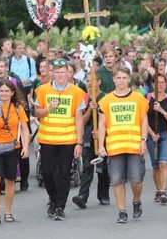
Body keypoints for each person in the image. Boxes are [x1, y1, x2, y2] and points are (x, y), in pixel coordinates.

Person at [34, 59, 85, 221]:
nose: (60, 75)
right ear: (52, 73)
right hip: (48, 138)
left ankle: (60, 206)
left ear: (69, 74)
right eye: (57, 72)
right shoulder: (42, 90)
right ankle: (53, 199)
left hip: (68, 140)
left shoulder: (77, 92)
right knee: (47, 173)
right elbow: (37, 114)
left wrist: (79, 142)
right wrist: (48, 109)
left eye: (63, 71)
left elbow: (79, 119)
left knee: (64, 174)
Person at [98, 66, 149, 223]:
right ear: (113, 79)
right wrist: (101, 146)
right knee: (118, 180)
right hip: (115, 146)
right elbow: (102, 125)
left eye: (124, 78)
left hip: (134, 145)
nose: (121, 81)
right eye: (118, 78)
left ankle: (136, 200)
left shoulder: (139, 99)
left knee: (136, 180)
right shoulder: (105, 100)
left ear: (129, 79)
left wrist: (143, 140)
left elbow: (143, 121)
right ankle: (122, 211)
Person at [0, 80, 30, 224]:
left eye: (6, 91)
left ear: (12, 93)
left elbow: (25, 129)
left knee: (10, 181)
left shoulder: (17, 107)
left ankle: (8, 211)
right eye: (1, 91)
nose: (3, 94)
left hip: (12, 148)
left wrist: (26, 147)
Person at [72, 73, 110, 208]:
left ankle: (104, 195)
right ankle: (83, 195)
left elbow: (109, 120)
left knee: (102, 167)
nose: (89, 83)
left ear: (99, 82)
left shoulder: (106, 98)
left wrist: (100, 133)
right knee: (87, 167)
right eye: (87, 81)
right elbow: (81, 120)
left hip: (103, 136)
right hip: (88, 134)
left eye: (92, 80)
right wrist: (90, 109)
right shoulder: (83, 98)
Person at [146, 74, 167, 204]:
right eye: (157, 82)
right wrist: (151, 134)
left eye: (162, 82)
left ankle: (163, 191)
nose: (160, 85)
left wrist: (161, 110)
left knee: (164, 163)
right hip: (151, 135)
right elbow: (142, 119)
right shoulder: (147, 98)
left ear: (166, 84)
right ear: (152, 84)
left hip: (166, 133)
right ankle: (158, 190)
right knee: (155, 165)